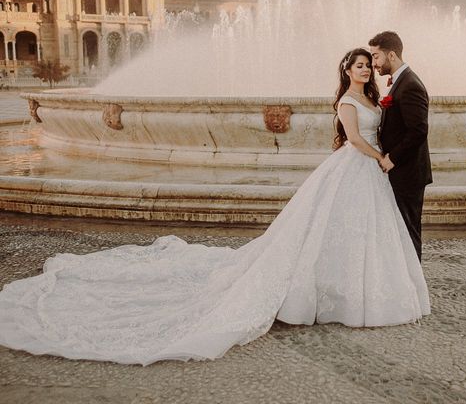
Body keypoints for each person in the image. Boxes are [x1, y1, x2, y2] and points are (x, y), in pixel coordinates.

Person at [0, 48, 429, 366]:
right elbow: (355, 140)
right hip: (358, 167)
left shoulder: (376, 97)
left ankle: (354, 290)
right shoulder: (348, 101)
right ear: (346, 71)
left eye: (367, 65)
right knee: (334, 229)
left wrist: (384, 158)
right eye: (357, 65)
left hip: (370, 174)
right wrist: (381, 160)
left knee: (359, 233)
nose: (365, 69)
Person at [369, 31, 432, 262]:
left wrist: (392, 158)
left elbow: (418, 130)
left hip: (408, 173)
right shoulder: (401, 82)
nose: (373, 63)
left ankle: (413, 285)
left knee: (408, 231)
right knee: (401, 230)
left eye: (376, 57)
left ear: (391, 55)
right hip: (403, 172)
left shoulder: (410, 85)